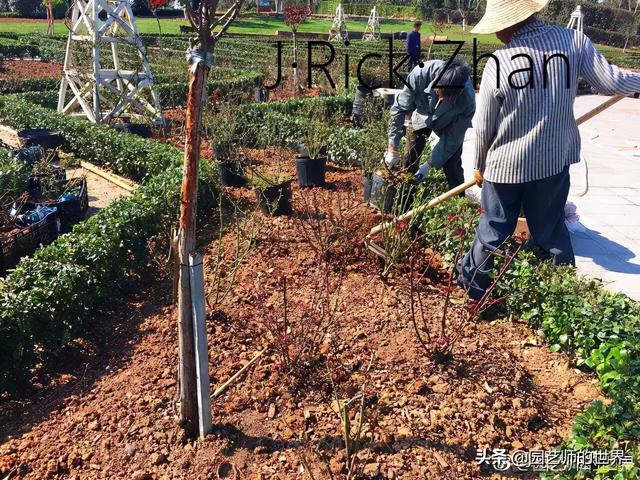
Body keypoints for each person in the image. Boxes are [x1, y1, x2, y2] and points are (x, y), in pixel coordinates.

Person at [459, 0, 640, 301]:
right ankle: (562, 297)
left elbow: (484, 127)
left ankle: (475, 294)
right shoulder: (573, 42)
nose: (496, 35)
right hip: (551, 164)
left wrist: (479, 164)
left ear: (508, 23)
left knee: (493, 229)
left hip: (505, 167)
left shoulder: (499, 62)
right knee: (551, 231)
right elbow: (610, 81)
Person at [385, 58, 475, 190]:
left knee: (452, 164)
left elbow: (453, 138)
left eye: (449, 97)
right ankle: (406, 194)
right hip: (423, 115)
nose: (442, 98)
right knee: (411, 156)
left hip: (449, 122)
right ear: (436, 79)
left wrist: (429, 165)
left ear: (459, 91)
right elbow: (400, 108)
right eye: (440, 92)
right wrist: (392, 146)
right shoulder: (420, 75)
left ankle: (458, 201)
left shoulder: (467, 101)